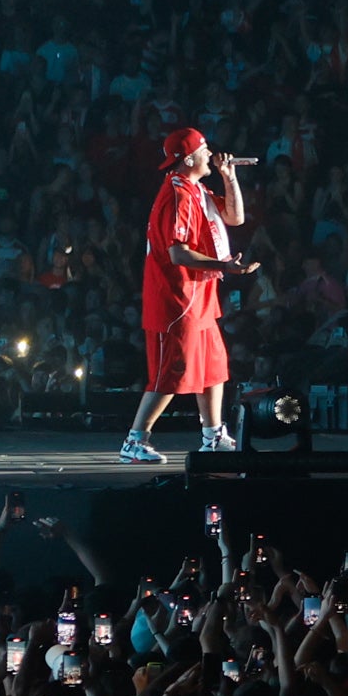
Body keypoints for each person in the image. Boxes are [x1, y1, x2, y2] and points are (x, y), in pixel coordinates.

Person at [121, 125, 258, 462]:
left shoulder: (195, 189)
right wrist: (225, 266)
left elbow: (235, 217)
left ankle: (213, 436)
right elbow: (177, 254)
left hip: (200, 295)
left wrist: (229, 176)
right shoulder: (178, 195)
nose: (211, 153)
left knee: (214, 367)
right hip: (176, 299)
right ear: (190, 157)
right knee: (171, 373)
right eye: (205, 149)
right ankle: (134, 440)